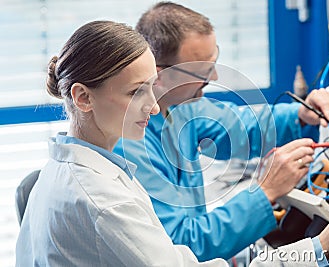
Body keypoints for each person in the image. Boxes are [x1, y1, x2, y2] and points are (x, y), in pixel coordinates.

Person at [14, 19, 329, 267]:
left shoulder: (89, 158)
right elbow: (185, 252)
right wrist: (322, 244)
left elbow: (240, 124)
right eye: (137, 91)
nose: (152, 103)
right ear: (82, 97)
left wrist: (300, 114)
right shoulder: (104, 197)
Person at [113, 1, 329, 263]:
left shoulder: (177, 107)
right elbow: (183, 246)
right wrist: (265, 191)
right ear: (160, 76)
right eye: (203, 71)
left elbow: (240, 125)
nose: (214, 78)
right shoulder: (131, 143)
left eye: (215, 61)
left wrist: (301, 112)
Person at [15, 20, 228, 266]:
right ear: (83, 98)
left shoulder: (60, 169)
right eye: (136, 92)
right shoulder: (104, 202)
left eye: (151, 88)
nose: (155, 107)